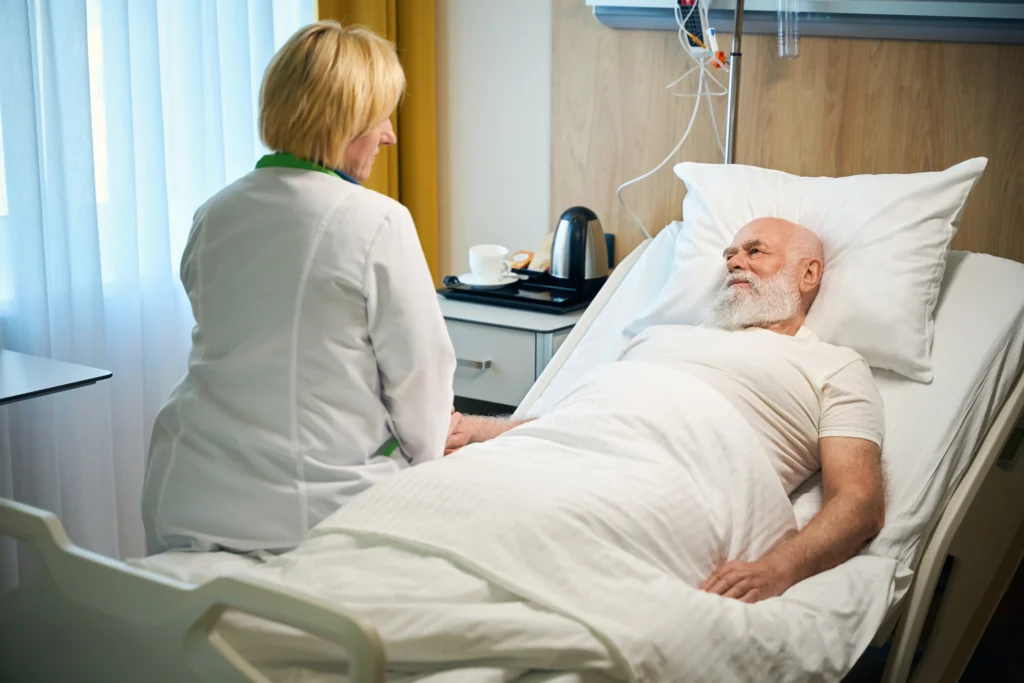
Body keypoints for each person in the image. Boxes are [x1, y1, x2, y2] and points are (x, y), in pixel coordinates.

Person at [445, 217, 886, 602]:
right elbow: (581, 417)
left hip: (667, 481)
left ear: (808, 274)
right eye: (730, 254)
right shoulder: (660, 336)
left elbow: (860, 502)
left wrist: (775, 571)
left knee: (528, 548)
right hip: (553, 460)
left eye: (755, 251)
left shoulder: (834, 366)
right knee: (451, 514)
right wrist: (479, 429)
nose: (734, 262)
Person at [142, 21, 456, 554]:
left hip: (189, 492)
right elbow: (422, 382)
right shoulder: (377, 221)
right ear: (343, 120)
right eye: (379, 116)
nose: (390, 135)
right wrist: (422, 473)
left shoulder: (213, 213)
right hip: (310, 514)